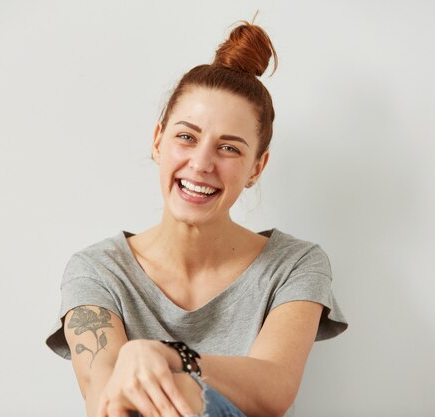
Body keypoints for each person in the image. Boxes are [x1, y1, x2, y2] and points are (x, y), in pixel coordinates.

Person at [46, 19, 348, 417]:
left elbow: (275, 388)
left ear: (257, 168)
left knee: (182, 392)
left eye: (229, 148)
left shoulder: (296, 265)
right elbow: (104, 399)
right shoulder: (97, 271)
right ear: (158, 141)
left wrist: (165, 356)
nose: (202, 163)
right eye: (186, 137)